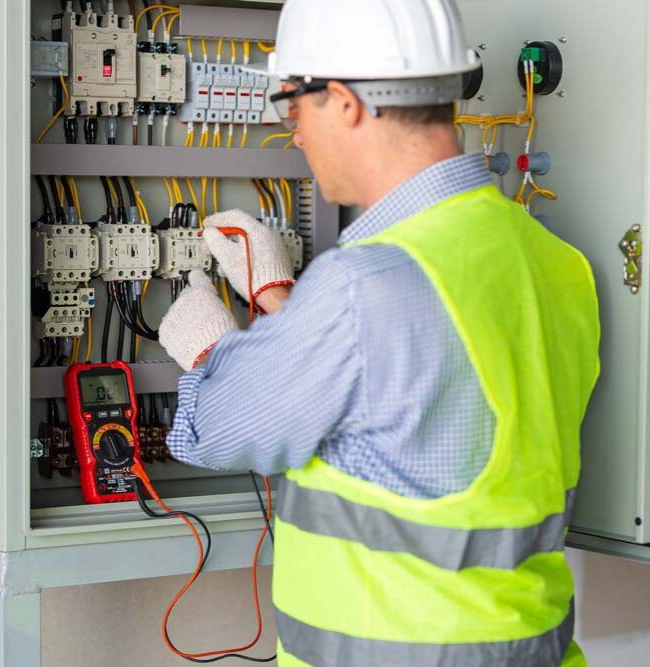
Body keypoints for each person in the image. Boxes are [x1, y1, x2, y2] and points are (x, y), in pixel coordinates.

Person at [158, 0, 600, 664]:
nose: (294, 135)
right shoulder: (556, 264)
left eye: (292, 107)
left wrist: (211, 348)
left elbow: (216, 427)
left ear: (343, 102)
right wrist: (283, 301)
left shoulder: (364, 287)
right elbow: (411, 405)